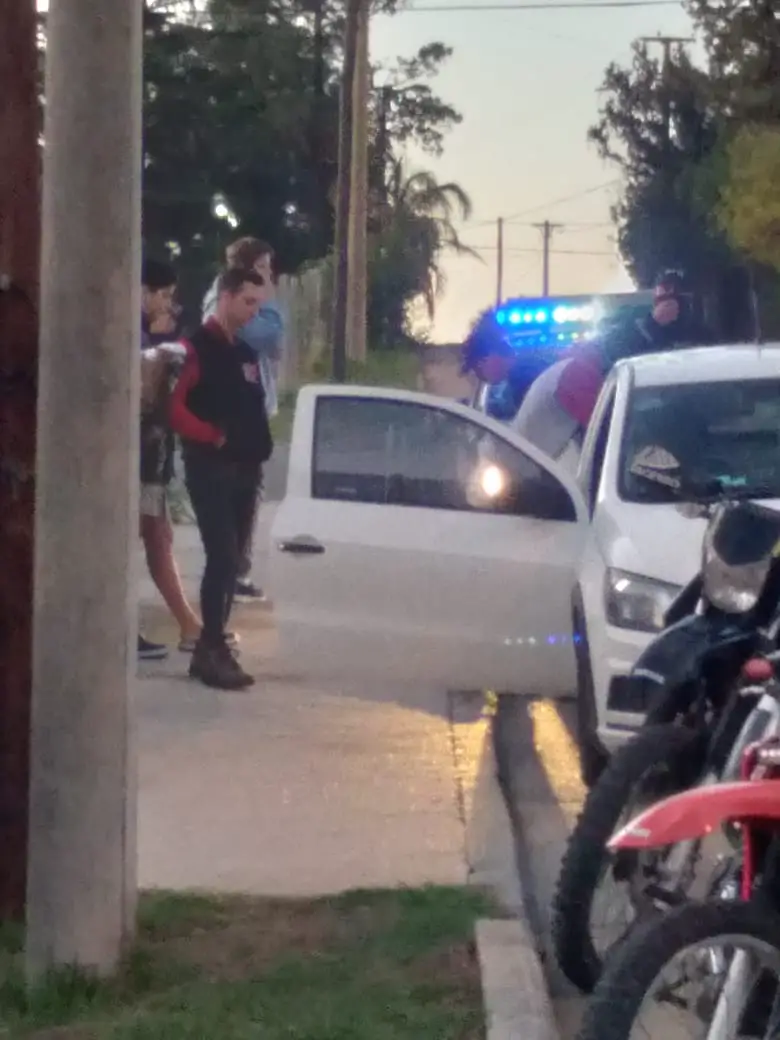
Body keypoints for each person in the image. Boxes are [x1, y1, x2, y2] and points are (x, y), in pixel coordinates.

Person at [170, 268, 273, 690]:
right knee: (223, 556)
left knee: (233, 563)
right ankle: (211, 646)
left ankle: (211, 648)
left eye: (258, 305)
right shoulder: (194, 349)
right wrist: (209, 435)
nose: (253, 312)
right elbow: (173, 407)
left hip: (247, 469)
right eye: (248, 302)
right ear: (226, 297)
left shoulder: (245, 353)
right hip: (211, 468)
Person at [509, 269, 714, 471]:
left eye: (676, 296)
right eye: (664, 295)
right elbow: (606, 434)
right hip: (537, 473)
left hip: (541, 469)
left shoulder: (701, 340)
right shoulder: (581, 375)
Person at [202, 237, 283, 603]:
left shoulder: (252, 303)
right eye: (263, 267)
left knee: (250, 496)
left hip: (250, 414)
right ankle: (230, 574)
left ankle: (237, 570)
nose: (269, 275)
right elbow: (267, 335)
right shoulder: (226, 301)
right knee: (235, 499)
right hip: (232, 417)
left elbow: (275, 344)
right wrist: (268, 302)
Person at [138, 259, 203, 661]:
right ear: (143, 291)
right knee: (155, 536)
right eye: (162, 295)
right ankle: (188, 625)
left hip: (152, 456)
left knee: (157, 535)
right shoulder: (134, 332)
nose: (166, 304)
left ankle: (189, 624)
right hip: (140, 457)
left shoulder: (151, 334)